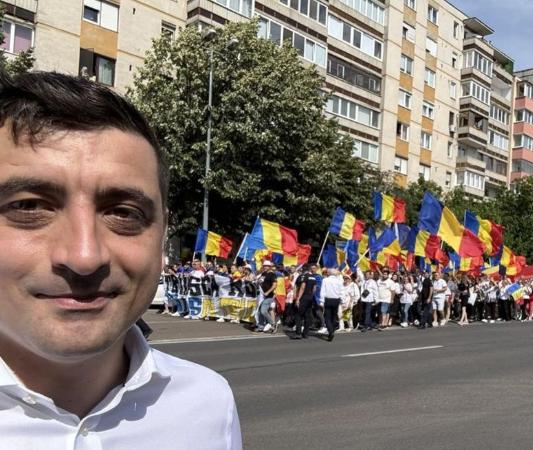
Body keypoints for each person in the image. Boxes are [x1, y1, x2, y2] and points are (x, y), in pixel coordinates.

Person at [0, 72, 241, 448]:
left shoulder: (209, 404)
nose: (84, 256)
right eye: (29, 207)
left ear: (162, 232)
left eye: (124, 214)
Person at [293, 265, 318, 339]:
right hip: (309, 297)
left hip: (303, 297)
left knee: (299, 315)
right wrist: (310, 295)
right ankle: (305, 334)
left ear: (302, 269)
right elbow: (314, 289)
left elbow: (301, 287)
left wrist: (297, 298)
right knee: (307, 316)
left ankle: (298, 333)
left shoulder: (301, 276)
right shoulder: (313, 277)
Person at [319, 269, 344, 342]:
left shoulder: (325, 280)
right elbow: (341, 291)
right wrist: (342, 300)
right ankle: (332, 329)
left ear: (329, 273)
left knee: (327, 317)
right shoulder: (339, 281)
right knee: (333, 316)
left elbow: (322, 291)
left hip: (328, 300)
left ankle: (331, 331)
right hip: (336, 300)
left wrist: (321, 301)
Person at [255, 260, 278, 332]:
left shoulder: (272, 274)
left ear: (270, 267)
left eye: (266, 266)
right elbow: (260, 281)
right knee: (259, 311)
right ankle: (261, 326)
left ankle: (273, 324)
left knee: (263, 311)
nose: (265, 267)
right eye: (264, 266)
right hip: (261, 295)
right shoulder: (263, 274)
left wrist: (268, 292)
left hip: (268, 296)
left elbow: (275, 285)